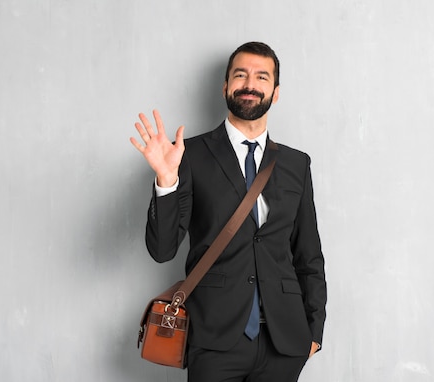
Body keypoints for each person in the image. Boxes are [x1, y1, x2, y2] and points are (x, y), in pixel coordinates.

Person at [130, 41, 327, 382]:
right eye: (241, 74)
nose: (250, 84)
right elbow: (162, 251)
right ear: (225, 87)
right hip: (214, 340)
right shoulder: (188, 154)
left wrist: (313, 333)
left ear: (275, 92)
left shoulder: (297, 164)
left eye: (262, 77)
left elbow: (309, 257)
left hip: (285, 342)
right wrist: (166, 179)